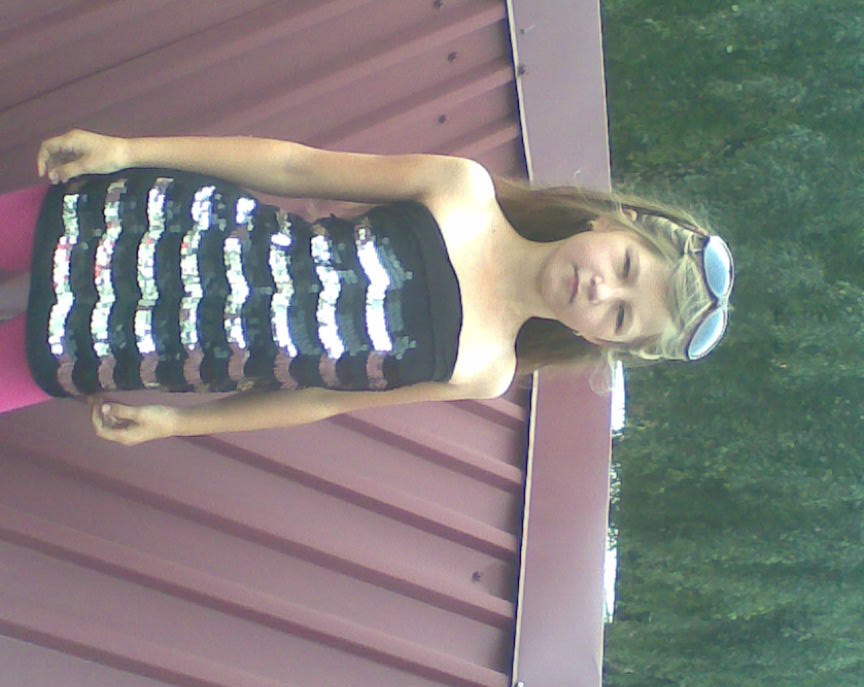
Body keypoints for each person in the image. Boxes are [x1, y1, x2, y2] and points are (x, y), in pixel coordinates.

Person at [0, 129, 733, 445]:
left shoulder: (483, 369)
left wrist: (180, 424)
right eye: (626, 267)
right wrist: (128, 150)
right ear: (613, 223)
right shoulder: (462, 191)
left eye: (619, 317)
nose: (601, 290)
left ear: (598, 342)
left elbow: (319, 399)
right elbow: (294, 168)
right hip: (148, 226)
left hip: (138, 347)